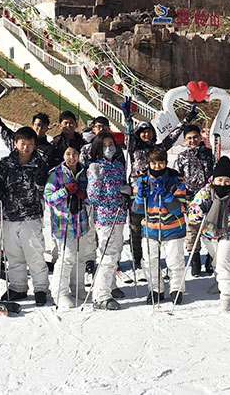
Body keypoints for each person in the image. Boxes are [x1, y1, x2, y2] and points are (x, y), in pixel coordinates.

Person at [122, 97, 194, 278]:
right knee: (137, 228)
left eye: (149, 131)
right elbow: (129, 138)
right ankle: (139, 261)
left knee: (159, 228)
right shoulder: (134, 148)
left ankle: (161, 263)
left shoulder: (158, 149)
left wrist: (185, 122)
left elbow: (172, 137)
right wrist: (128, 120)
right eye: (143, 132)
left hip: (160, 192)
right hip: (140, 192)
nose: (146, 134)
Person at [0, 127, 51, 306]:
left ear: (34, 145)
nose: (26, 147)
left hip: (30, 216)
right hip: (9, 215)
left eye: (30, 144)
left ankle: (41, 288)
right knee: (13, 255)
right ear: (16, 143)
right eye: (22, 143)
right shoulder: (5, 163)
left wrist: (41, 183)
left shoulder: (40, 163)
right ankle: (18, 287)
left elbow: (45, 190)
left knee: (34, 253)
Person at [187, 156, 230, 312]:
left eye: (227, 181)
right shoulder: (205, 192)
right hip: (209, 233)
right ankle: (220, 281)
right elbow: (191, 216)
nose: (223, 184)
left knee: (223, 262)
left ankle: (228, 295)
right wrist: (201, 209)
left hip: (229, 233)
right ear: (214, 180)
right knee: (217, 262)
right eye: (220, 180)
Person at [132, 148, 187, 304]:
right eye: (154, 163)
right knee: (150, 261)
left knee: (174, 260)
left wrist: (167, 195)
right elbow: (136, 209)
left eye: (160, 162)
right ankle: (155, 289)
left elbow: (179, 209)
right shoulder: (141, 181)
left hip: (173, 227)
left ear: (166, 162)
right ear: (149, 163)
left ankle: (176, 289)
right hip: (151, 228)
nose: (157, 166)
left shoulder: (176, 180)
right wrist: (140, 197)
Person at [87, 132, 130, 310]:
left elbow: (122, 187)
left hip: (119, 215)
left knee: (117, 252)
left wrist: (127, 191)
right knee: (108, 254)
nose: (108, 148)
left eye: (110, 144)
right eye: (104, 145)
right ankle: (100, 295)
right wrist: (96, 179)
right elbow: (92, 197)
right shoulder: (96, 166)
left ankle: (110, 284)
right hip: (105, 217)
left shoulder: (119, 165)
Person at [44, 145, 89, 309]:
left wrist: (84, 196)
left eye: (75, 153)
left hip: (81, 221)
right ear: (63, 155)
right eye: (68, 154)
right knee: (67, 258)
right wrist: (65, 191)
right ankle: (59, 292)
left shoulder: (84, 172)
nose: (72, 157)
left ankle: (78, 287)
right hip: (64, 222)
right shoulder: (56, 173)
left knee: (81, 257)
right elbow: (48, 198)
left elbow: (90, 195)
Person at [174, 124, 214, 276]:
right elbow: (177, 178)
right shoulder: (182, 157)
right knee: (192, 231)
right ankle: (194, 261)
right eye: (189, 138)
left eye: (195, 137)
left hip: (209, 198)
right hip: (190, 200)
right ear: (184, 140)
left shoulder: (209, 154)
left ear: (201, 137)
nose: (193, 140)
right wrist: (180, 198)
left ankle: (211, 260)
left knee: (211, 229)